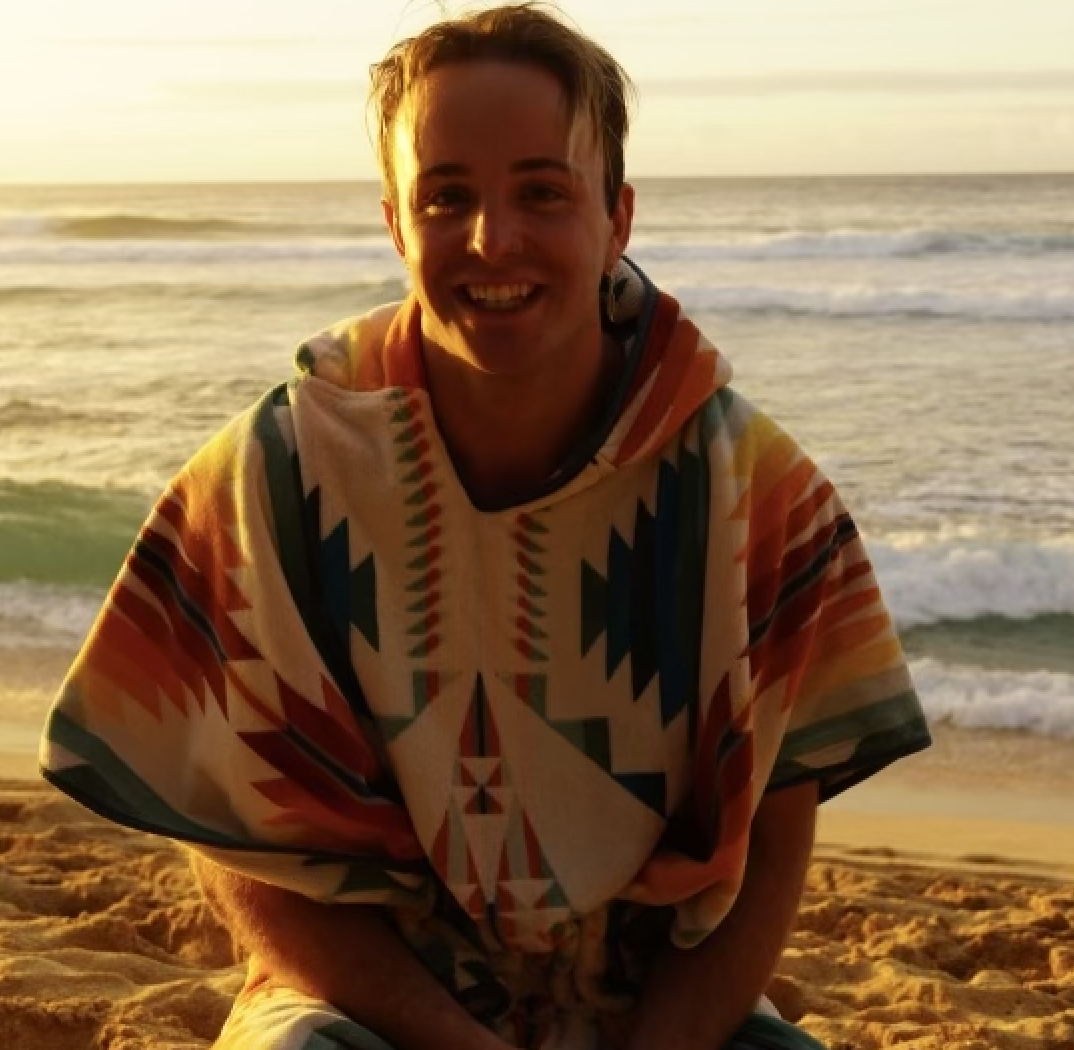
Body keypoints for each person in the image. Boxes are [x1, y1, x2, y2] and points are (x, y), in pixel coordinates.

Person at [40, 5, 931, 1049]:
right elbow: (246, 847)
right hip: (369, 1010)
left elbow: (777, 837)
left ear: (618, 218)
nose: (491, 239)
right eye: (446, 195)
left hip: (656, 1012)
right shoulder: (280, 473)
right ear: (394, 224)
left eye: (543, 193)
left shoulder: (748, 491)